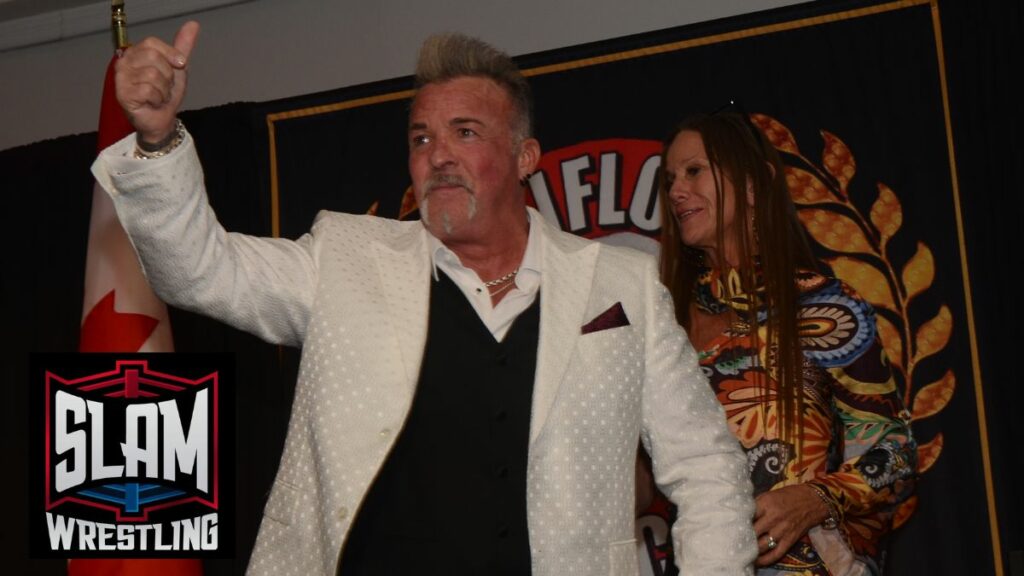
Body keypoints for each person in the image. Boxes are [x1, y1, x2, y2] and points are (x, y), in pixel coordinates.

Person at [92, 22, 758, 576]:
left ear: (526, 156)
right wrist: (158, 141)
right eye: (421, 138)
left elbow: (704, 465)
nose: (438, 156)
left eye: (465, 133)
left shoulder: (621, 285)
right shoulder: (346, 258)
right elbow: (200, 271)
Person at [652, 109, 917, 574]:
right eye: (670, 178)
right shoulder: (661, 323)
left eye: (694, 171)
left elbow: (893, 455)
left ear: (754, 184)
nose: (676, 191)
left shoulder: (824, 307)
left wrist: (816, 498)